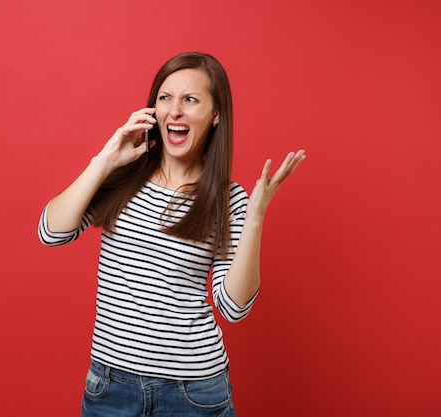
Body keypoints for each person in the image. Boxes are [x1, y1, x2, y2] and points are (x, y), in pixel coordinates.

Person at [38, 52, 305, 417]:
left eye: (190, 100)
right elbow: (51, 232)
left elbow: (234, 308)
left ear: (215, 115)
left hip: (193, 393)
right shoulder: (123, 176)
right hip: (110, 387)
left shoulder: (228, 200)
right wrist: (104, 159)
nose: (174, 111)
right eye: (165, 98)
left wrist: (256, 216)